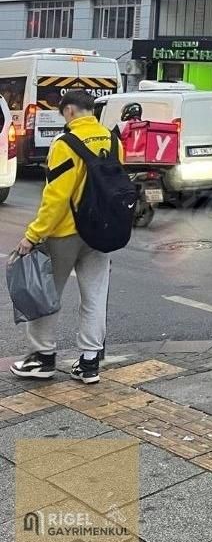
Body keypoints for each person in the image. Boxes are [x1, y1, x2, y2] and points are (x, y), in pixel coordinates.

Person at [10, 89, 121, 385]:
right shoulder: (111, 139)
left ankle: (42, 359)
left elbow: (56, 197)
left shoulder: (64, 142)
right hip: (101, 232)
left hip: (65, 234)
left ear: (69, 111)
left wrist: (33, 235)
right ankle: (89, 363)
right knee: (95, 297)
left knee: (45, 295)